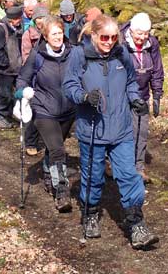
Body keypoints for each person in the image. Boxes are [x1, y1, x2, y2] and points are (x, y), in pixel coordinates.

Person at [63, 14, 159, 250]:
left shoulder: (122, 53)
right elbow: (69, 85)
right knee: (93, 176)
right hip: (92, 126)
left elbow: (130, 82)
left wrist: (135, 99)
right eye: (105, 37)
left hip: (121, 128)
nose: (109, 42)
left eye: (114, 37)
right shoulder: (79, 54)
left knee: (129, 175)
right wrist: (84, 97)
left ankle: (136, 223)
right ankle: (90, 213)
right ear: (94, 35)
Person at [16, 16, 75, 212]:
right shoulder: (37, 55)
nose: (58, 37)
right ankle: (61, 190)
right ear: (46, 37)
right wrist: (22, 93)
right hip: (43, 109)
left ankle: (49, 173)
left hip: (68, 110)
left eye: (60, 33)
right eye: (53, 34)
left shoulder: (73, 53)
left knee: (54, 147)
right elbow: (22, 79)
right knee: (58, 149)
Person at [121, 12, 164, 183]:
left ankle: (138, 167)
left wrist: (157, 95)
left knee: (142, 132)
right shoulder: (121, 44)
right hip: (123, 97)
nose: (142, 37)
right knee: (128, 131)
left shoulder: (152, 44)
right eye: (139, 33)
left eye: (145, 34)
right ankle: (122, 165)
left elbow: (157, 70)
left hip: (143, 94)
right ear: (131, 31)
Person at [21, 5, 49, 156]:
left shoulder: (51, 33)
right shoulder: (28, 34)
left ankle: (46, 138)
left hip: (50, 78)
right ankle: (31, 142)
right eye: (37, 18)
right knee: (34, 110)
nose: (40, 21)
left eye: (42, 17)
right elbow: (26, 57)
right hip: (34, 78)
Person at [0, 5, 24, 129]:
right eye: (19, 18)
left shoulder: (18, 28)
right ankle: (0, 116)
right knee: (6, 94)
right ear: (12, 19)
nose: (21, 20)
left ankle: (9, 115)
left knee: (16, 94)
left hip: (17, 69)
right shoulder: (1, 30)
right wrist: (7, 63)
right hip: (5, 71)